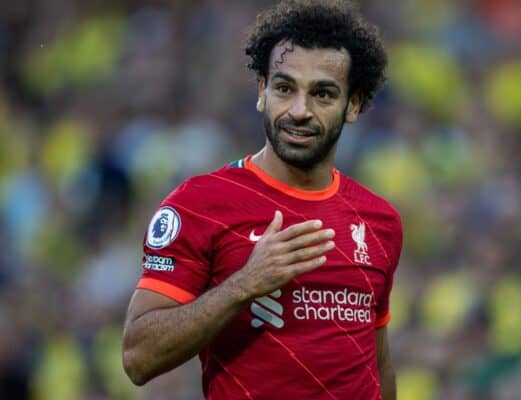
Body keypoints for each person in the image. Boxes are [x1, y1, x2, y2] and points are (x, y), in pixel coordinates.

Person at [122, 1, 402, 399]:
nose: (300, 111)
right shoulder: (200, 204)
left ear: (353, 105)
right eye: (285, 88)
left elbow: (378, 366)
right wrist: (244, 285)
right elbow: (138, 357)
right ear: (261, 92)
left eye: (322, 94)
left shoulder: (380, 220)